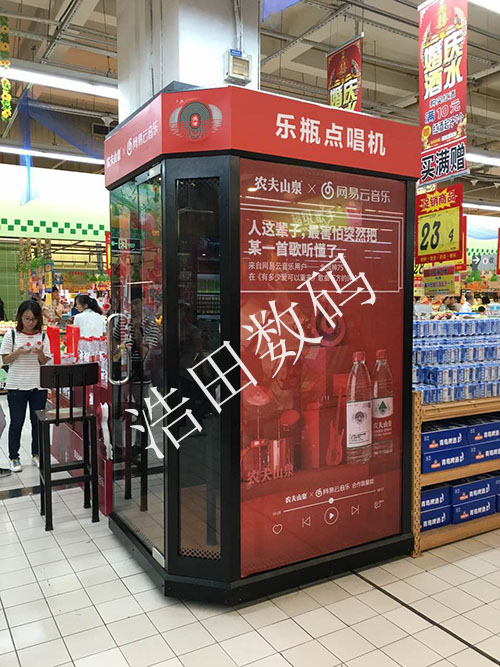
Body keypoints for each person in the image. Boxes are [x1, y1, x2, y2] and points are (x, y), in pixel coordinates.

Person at [0, 300, 51, 472]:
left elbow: (44, 362)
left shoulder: (43, 336)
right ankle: (14, 457)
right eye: (27, 319)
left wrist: (40, 352)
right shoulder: (11, 335)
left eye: (34, 319)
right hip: (16, 386)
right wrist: (19, 352)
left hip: (38, 386)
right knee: (16, 423)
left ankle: (37, 454)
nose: (30, 322)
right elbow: (5, 360)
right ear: (20, 318)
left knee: (37, 422)